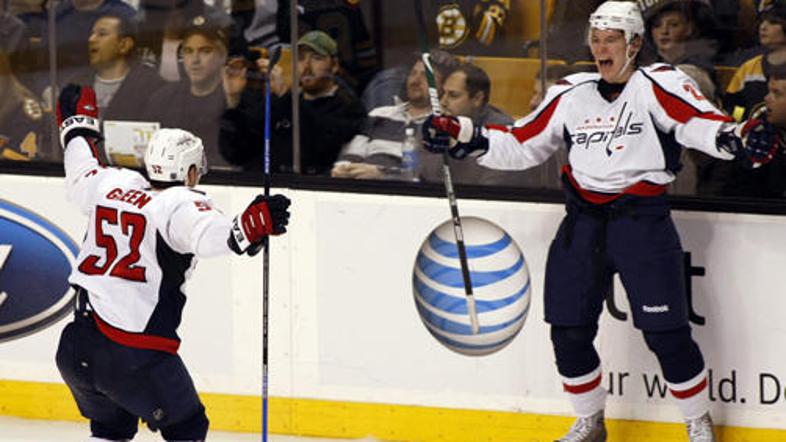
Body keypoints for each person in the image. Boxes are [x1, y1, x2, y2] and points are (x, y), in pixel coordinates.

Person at [422, 2, 779, 441]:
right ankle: (590, 421)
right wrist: (462, 133)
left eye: (610, 39)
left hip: (642, 222)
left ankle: (696, 420)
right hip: (582, 223)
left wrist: (739, 138)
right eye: (595, 38)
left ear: (634, 43)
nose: (599, 48)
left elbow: (701, 125)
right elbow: (521, 144)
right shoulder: (571, 91)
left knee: (666, 334)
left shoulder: (659, 83)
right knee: (568, 332)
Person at [54, 83, 291, 441]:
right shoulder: (179, 203)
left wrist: (79, 125)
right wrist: (250, 225)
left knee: (112, 426)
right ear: (191, 172)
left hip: (76, 346)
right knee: (187, 428)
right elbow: (214, 236)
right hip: (134, 354)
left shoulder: (111, 183)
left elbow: (80, 166)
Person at [220, 30, 366, 175]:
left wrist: (285, 95)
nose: (306, 67)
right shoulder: (282, 101)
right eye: (301, 58)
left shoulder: (348, 106)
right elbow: (235, 154)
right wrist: (233, 100)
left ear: (334, 65)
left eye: (317, 58)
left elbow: (319, 150)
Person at [331, 51, 459, 180]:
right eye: (413, 73)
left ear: (444, 86)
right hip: (361, 188)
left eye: (426, 76)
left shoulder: (441, 125)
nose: (415, 80)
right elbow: (350, 155)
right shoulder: (379, 114)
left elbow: (423, 177)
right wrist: (342, 169)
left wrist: (382, 174)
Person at [144, 11, 238, 170]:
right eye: (188, 51)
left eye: (205, 51)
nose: (195, 60)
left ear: (222, 56)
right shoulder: (163, 98)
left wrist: (233, 103)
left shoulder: (235, 98)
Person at [68, 12, 164, 121]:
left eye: (102, 34)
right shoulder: (76, 84)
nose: (91, 39)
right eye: (92, 34)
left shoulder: (151, 86)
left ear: (124, 45)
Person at [725, 1, 786, 122]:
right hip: (754, 135)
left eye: (773, 22)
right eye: (762, 22)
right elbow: (736, 105)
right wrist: (739, 123)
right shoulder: (748, 68)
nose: (763, 27)